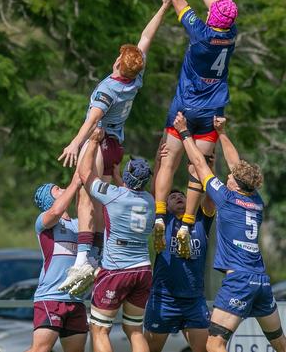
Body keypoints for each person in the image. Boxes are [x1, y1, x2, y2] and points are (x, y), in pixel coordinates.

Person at [58, 0, 172, 292]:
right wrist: (162, 8)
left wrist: (75, 143)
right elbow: (145, 38)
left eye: (119, 57)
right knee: (101, 201)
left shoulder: (108, 88)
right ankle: (96, 257)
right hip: (115, 147)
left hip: (99, 140)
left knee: (86, 194)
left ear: (119, 64)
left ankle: (83, 259)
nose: (117, 57)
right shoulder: (135, 76)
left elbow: (92, 119)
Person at [144, 0, 238, 258]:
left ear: (213, 18)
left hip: (185, 108)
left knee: (168, 161)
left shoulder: (201, 33)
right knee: (200, 168)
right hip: (212, 112)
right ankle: (186, 224)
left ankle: (159, 216)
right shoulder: (230, 35)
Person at [173, 111, 286, 352]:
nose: (228, 176)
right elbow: (237, 166)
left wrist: (184, 132)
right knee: (279, 343)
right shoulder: (255, 200)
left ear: (235, 184)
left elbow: (200, 164)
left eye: (231, 177)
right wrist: (222, 134)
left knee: (214, 344)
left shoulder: (226, 198)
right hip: (261, 282)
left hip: (239, 282)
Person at [77, 126, 155, 352]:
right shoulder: (149, 200)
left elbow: (85, 174)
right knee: (134, 330)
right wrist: (119, 174)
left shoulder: (113, 195)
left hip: (116, 270)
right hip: (142, 270)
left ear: (128, 177)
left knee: (100, 329)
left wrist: (92, 142)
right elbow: (129, 191)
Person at [144, 189, 215, 352]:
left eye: (182, 196)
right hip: (164, 298)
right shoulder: (163, 222)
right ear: (165, 206)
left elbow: (210, 197)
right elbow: (156, 191)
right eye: (173, 197)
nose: (178, 198)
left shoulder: (201, 220)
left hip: (194, 300)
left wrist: (207, 164)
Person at [26, 173, 88, 352]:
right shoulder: (44, 221)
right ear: (48, 199)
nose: (63, 189)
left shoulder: (78, 225)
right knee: (41, 349)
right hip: (50, 297)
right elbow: (55, 211)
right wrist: (75, 182)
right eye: (57, 189)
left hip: (76, 299)